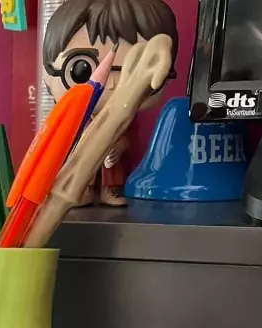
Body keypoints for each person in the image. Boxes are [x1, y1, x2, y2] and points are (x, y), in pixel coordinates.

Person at [42, 0, 178, 206]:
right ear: (47, 73)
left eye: (132, 70)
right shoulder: (74, 119)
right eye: (81, 69)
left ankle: (110, 189)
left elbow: (127, 140)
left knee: (111, 159)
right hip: (72, 172)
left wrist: (118, 146)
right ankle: (83, 189)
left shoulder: (125, 118)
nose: (112, 83)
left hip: (110, 153)